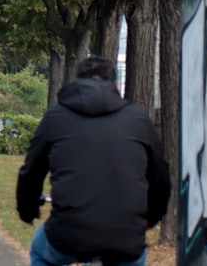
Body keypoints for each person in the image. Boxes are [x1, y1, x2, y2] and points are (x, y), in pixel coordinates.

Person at [16, 56, 170, 266]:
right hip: (125, 238)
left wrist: (28, 210)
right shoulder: (138, 119)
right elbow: (161, 178)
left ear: (77, 82)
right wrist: (149, 220)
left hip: (67, 234)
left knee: (42, 254)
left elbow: (31, 171)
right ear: (115, 85)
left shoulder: (56, 117)